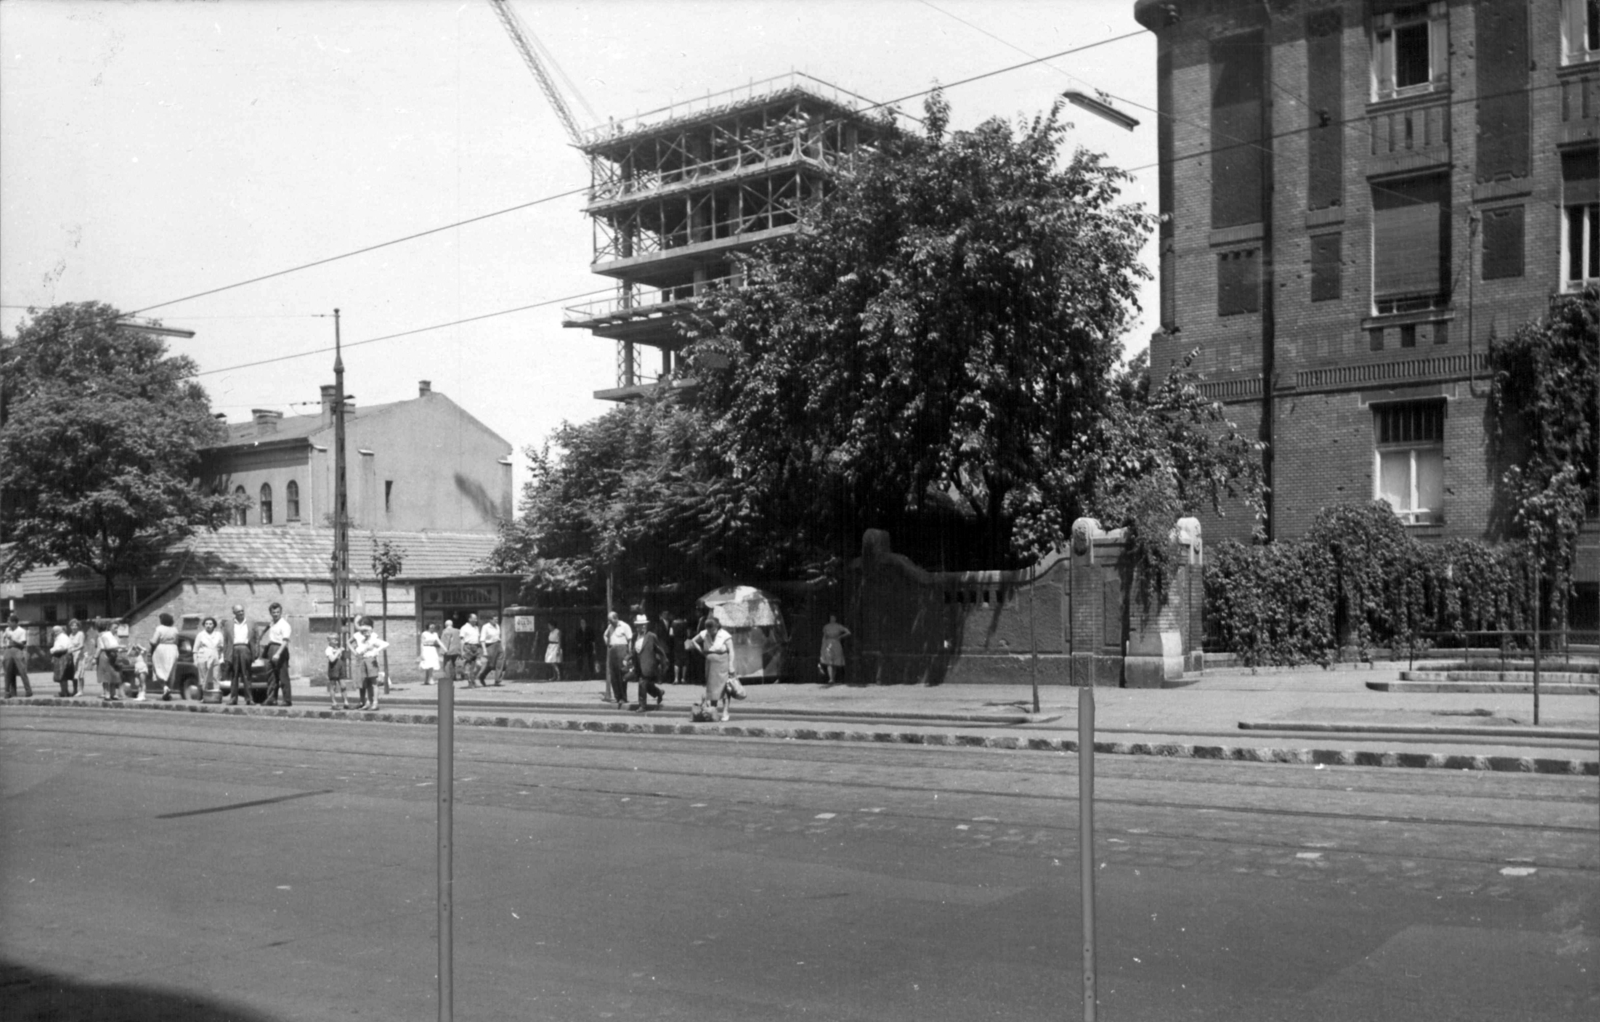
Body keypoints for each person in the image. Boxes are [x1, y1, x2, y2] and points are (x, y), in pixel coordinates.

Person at [687, 613, 741, 722]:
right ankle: (713, 711)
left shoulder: (725, 635)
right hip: (710, 664)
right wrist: (702, 651)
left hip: (722, 663)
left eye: (712, 629)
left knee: (725, 688)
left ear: (717, 627)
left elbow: (731, 651)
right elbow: (693, 641)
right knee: (712, 689)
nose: (710, 632)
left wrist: (731, 665)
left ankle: (725, 711)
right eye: (708, 629)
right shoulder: (704, 633)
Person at [351, 617, 389, 710]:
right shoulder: (364, 640)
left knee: (374, 683)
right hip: (364, 661)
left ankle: (375, 703)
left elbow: (385, 644)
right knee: (367, 683)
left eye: (366, 630)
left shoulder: (373, 639)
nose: (364, 632)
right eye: (363, 631)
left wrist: (376, 650)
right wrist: (358, 651)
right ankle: (368, 702)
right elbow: (359, 650)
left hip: (371, 661)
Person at [630, 616, 667, 711]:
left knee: (642, 683)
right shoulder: (635, 636)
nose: (641, 628)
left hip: (649, 665)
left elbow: (659, 650)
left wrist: (664, 662)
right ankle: (659, 692)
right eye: (638, 626)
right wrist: (627, 659)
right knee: (647, 685)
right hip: (639, 666)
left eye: (643, 626)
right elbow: (634, 651)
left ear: (646, 626)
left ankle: (642, 706)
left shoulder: (651, 636)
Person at [261, 602, 292, 707]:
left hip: (280, 649)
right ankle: (271, 699)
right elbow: (266, 630)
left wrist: (278, 654)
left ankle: (287, 700)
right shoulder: (272, 623)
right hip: (271, 648)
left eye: (278, 612)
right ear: (270, 613)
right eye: (273, 612)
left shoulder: (285, 625)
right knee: (271, 676)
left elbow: (285, 641)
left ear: (281, 612)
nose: (276, 614)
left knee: (282, 676)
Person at [225, 604, 255, 706]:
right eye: (238, 612)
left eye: (242, 611)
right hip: (234, 649)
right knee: (234, 675)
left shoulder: (251, 623)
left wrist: (255, 653)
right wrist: (226, 656)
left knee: (247, 675)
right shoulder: (228, 624)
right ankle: (233, 698)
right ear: (234, 613)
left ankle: (249, 699)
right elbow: (226, 641)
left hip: (246, 648)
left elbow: (256, 639)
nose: (241, 613)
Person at [602, 610, 632, 707]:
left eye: (611, 620)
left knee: (622, 673)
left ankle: (623, 697)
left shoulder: (624, 626)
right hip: (612, 650)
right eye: (609, 621)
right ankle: (617, 697)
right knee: (614, 674)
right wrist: (607, 643)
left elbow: (630, 640)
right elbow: (605, 635)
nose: (610, 623)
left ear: (616, 618)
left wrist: (629, 653)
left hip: (622, 649)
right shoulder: (610, 627)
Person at [150, 612, 181, 701]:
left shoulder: (159, 628)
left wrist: (150, 641)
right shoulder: (175, 630)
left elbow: (154, 641)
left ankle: (164, 687)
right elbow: (177, 642)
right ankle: (168, 690)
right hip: (173, 649)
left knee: (158, 669)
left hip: (161, 649)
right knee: (171, 671)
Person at [95, 618, 124, 700]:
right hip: (105, 655)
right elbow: (107, 647)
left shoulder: (114, 636)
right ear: (109, 627)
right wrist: (119, 646)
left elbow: (115, 646)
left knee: (114, 674)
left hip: (113, 655)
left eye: (117, 628)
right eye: (115, 628)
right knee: (106, 675)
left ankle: (113, 693)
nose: (116, 629)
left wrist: (120, 649)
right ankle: (107, 693)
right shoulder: (105, 635)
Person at [2, 615, 31, 698]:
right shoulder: (7, 630)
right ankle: (9, 692)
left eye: (9, 622)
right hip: (8, 650)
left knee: (22, 671)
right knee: (8, 671)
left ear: (14, 622)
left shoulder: (21, 631)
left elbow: (23, 644)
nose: (8, 623)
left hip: (17, 649)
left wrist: (12, 639)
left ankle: (28, 690)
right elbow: (4, 640)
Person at [193, 617, 223, 695]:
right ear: (204, 625)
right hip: (203, 657)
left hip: (215, 656)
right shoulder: (200, 635)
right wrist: (195, 660)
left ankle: (215, 695)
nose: (208, 625)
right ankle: (204, 695)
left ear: (214, 625)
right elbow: (195, 649)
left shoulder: (218, 635)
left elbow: (222, 648)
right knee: (203, 677)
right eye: (206, 624)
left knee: (215, 677)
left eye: (210, 624)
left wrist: (222, 658)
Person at [819, 613, 851, 685]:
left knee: (835, 662)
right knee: (829, 661)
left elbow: (848, 632)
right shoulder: (826, 626)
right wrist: (823, 646)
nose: (832, 619)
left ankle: (832, 678)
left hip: (836, 643)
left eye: (833, 618)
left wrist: (840, 637)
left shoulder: (839, 626)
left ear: (835, 619)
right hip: (828, 643)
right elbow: (824, 636)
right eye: (831, 618)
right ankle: (831, 678)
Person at [326, 633, 352, 710]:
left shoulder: (337, 648)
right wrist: (338, 652)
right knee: (333, 686)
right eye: (334, 639)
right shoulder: (328, 649)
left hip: (340, 668)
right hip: (333, 668)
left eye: (337, 639)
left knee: (343, 685)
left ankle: (346, 702)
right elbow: (331, 659)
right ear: (329, 641)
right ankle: (334, 703)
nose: (336, 640)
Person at [49, 625, 74, 697]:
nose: (53, 633)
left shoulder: (62, 637)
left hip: (63, 656)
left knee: (62, 675)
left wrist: (53, 651)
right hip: (60, 656)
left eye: (54, 631)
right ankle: (64, 691)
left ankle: (64, 692)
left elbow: (64, 648)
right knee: (61, 676)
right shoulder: (58, 637)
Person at [478, 615, 503, 687]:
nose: (496, 621)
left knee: (500, 662)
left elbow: (498, 636)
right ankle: (482, 676)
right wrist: (484, 650)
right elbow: (482, 639)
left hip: (498, 644)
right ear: (490, 620)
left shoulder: (497, 626)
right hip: (490, 646)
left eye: (497, 619)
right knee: (491, 665)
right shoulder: (485, 627)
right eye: (495, 619)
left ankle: (497, 680)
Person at [668, 612, 692, 685]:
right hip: (684, 643)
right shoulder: (686, 623)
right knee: (685, 661)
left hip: (676, 643)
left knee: (676, 661)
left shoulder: (673, 623)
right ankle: (683, 678)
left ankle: (676, 678)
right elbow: (689, 634)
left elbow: (671, 634)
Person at [459, 613, 482, 686]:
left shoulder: (476, 628)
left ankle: (473, 677)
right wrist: (462, 651)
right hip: (468, 646)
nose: (476, 620)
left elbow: (478, 638)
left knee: (479, 665)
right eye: (474, 618)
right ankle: (470, 681)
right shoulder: (464, 628)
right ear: (469, 619)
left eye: (476, 618)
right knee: (468, 665)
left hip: (476, 646)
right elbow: (462, 640)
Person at [67, 619, 87, 696]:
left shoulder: (80, 634)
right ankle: (75, 690)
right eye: (72, 625)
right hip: (72, 656)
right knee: (74, 674)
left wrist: (73, 649)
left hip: (79, 655)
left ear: (78, 626)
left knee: (80, 673)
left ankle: (81, 691)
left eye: (75, 625)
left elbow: (81, 645)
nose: (74, 627)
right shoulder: (70, 635)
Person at [418, 621, 442, 686]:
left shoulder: (435, 634)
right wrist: (421, 653)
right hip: (426, 649)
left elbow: (438, 641)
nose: (432, 628)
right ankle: (428, 679)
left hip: (433, 649)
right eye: (431, 627)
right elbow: (422, 643)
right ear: (428, 627)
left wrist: (444, 648)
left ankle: (429, 678)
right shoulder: (424, 634)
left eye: (433, 627)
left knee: (432, 664)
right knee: (428, 664)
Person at [573, 617, 594, 681]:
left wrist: (594, 649)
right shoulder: (578, 630)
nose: (582, 624)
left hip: (588, 647)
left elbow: (593, 640)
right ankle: (581, 676)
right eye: (581, 622)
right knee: (580, 662)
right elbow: (576, 639)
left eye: (583, 622)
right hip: (581, 649)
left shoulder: (589, 630)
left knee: (589, 662)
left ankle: (590, 676)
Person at [440, 618, 461, 682]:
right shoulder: (457, 630)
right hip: (456, 650)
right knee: (455, 663)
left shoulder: (445, 631)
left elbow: (446, 642)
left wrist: (443, 650)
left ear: (445, 625)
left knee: (447, 664)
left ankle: (448, 677)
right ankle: (454, 676)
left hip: (448, 650)